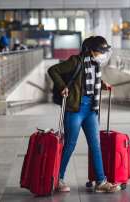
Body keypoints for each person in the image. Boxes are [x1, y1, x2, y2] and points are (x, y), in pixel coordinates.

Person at [48, 36, 119, 193]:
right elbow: (53, 70)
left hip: (90, 110)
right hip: (75, 109)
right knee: (70, 145)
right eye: (100, 51)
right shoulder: (75, 61)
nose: (102, 54)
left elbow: (90, 80)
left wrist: (102, 84)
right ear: (90, 50)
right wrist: (62, 86)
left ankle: (101, 181)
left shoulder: (95, 64)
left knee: (95, 145)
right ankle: (58, 178)